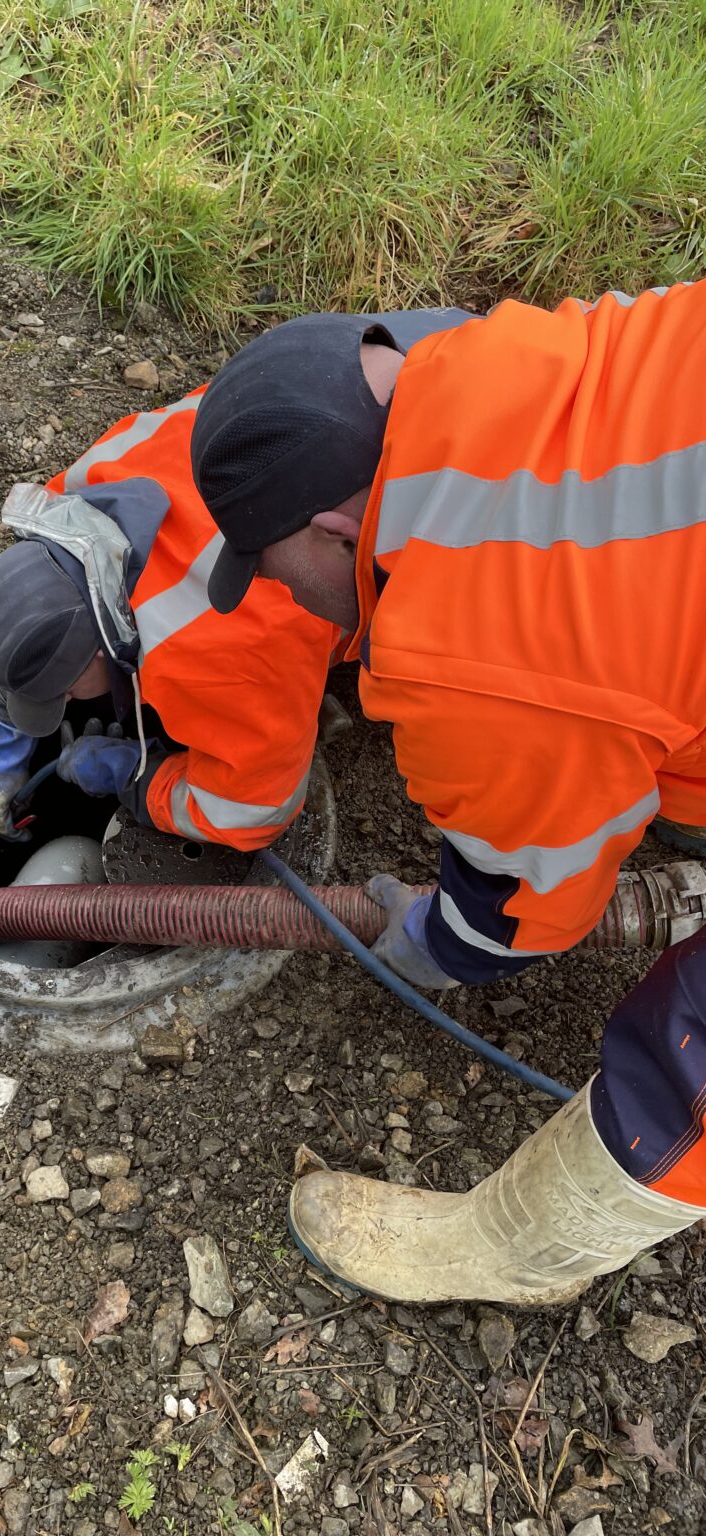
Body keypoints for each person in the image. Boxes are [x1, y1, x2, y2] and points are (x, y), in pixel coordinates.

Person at [189, 286, 706, 1303]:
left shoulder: (471, 647)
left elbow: (525, 908)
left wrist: (433, 941)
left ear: (340, 530)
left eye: (277, 566)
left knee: (692, 1049)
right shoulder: (557, 352)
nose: (280, 596)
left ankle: (517, 1252)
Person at [0, 308, 471, 853]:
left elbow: (251, 811)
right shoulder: (83, 485)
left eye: (62, 693)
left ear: (98, 655)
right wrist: (7, 739)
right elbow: (40, 609)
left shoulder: (214, 655)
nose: (66, 702)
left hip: (459, 501)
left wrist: (140, 777)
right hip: (427, 353)